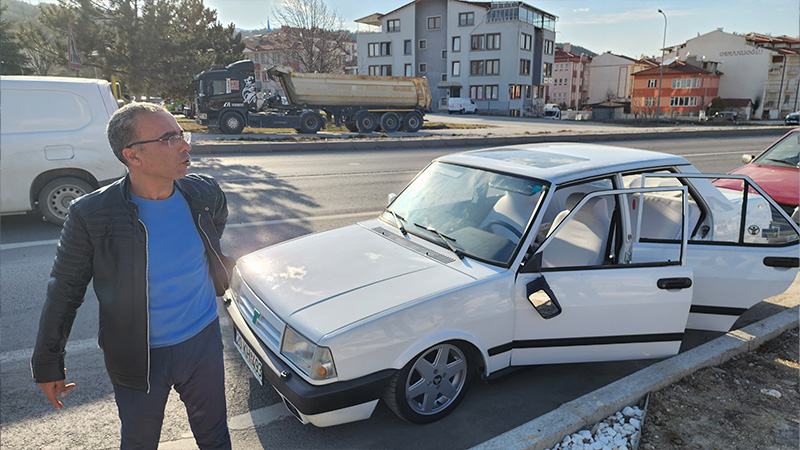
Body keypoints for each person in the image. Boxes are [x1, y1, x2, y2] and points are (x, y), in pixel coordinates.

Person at [31, 102, 235, 450]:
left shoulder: (204, 192)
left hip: (203, 342)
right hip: (137, 353)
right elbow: (64, 289)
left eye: (181, 134)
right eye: (169, 139)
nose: (185, 145)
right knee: (140, 443)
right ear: (133, 156)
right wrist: (48, 363)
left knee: (215, 436)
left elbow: (213, 228)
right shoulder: (91, 214)